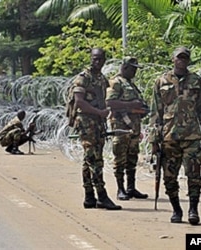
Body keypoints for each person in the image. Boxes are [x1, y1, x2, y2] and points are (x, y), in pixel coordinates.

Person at [149, 46, 201, 225]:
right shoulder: (161, 81)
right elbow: (155, 113)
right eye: (179, 58)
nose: (182, 60)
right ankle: (176, 209)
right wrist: (154, 141)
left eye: (185, 58)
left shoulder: (197, 81)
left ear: (188, 60)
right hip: (168, 137)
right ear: (173, 59)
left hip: (192, 136)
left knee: (194, 176)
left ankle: (193, 210)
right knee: (169, 177)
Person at [71, 48, 122, 210]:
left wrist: (105, 113)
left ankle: (89, 196)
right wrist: (99, 112)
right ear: (90, 59)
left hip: (98, 122)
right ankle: (101, 195)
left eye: (100, 59)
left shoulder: (101, 79)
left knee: (89, 159)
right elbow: (79, 102)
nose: (97, 61)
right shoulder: (83, 78)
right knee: (95, 160)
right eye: (95, 58)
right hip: (86, 122)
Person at [106, 57, 149, 201]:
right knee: (120, 158)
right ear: (124, 68)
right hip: (121, 126)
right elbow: (110, 102)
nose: (135, 72)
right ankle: (120, 189)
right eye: (132, 69)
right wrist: (131, 106)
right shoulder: (116, 82)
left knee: (132, 157)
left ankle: (131, 187)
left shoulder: (131, 84)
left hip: (134, 127)